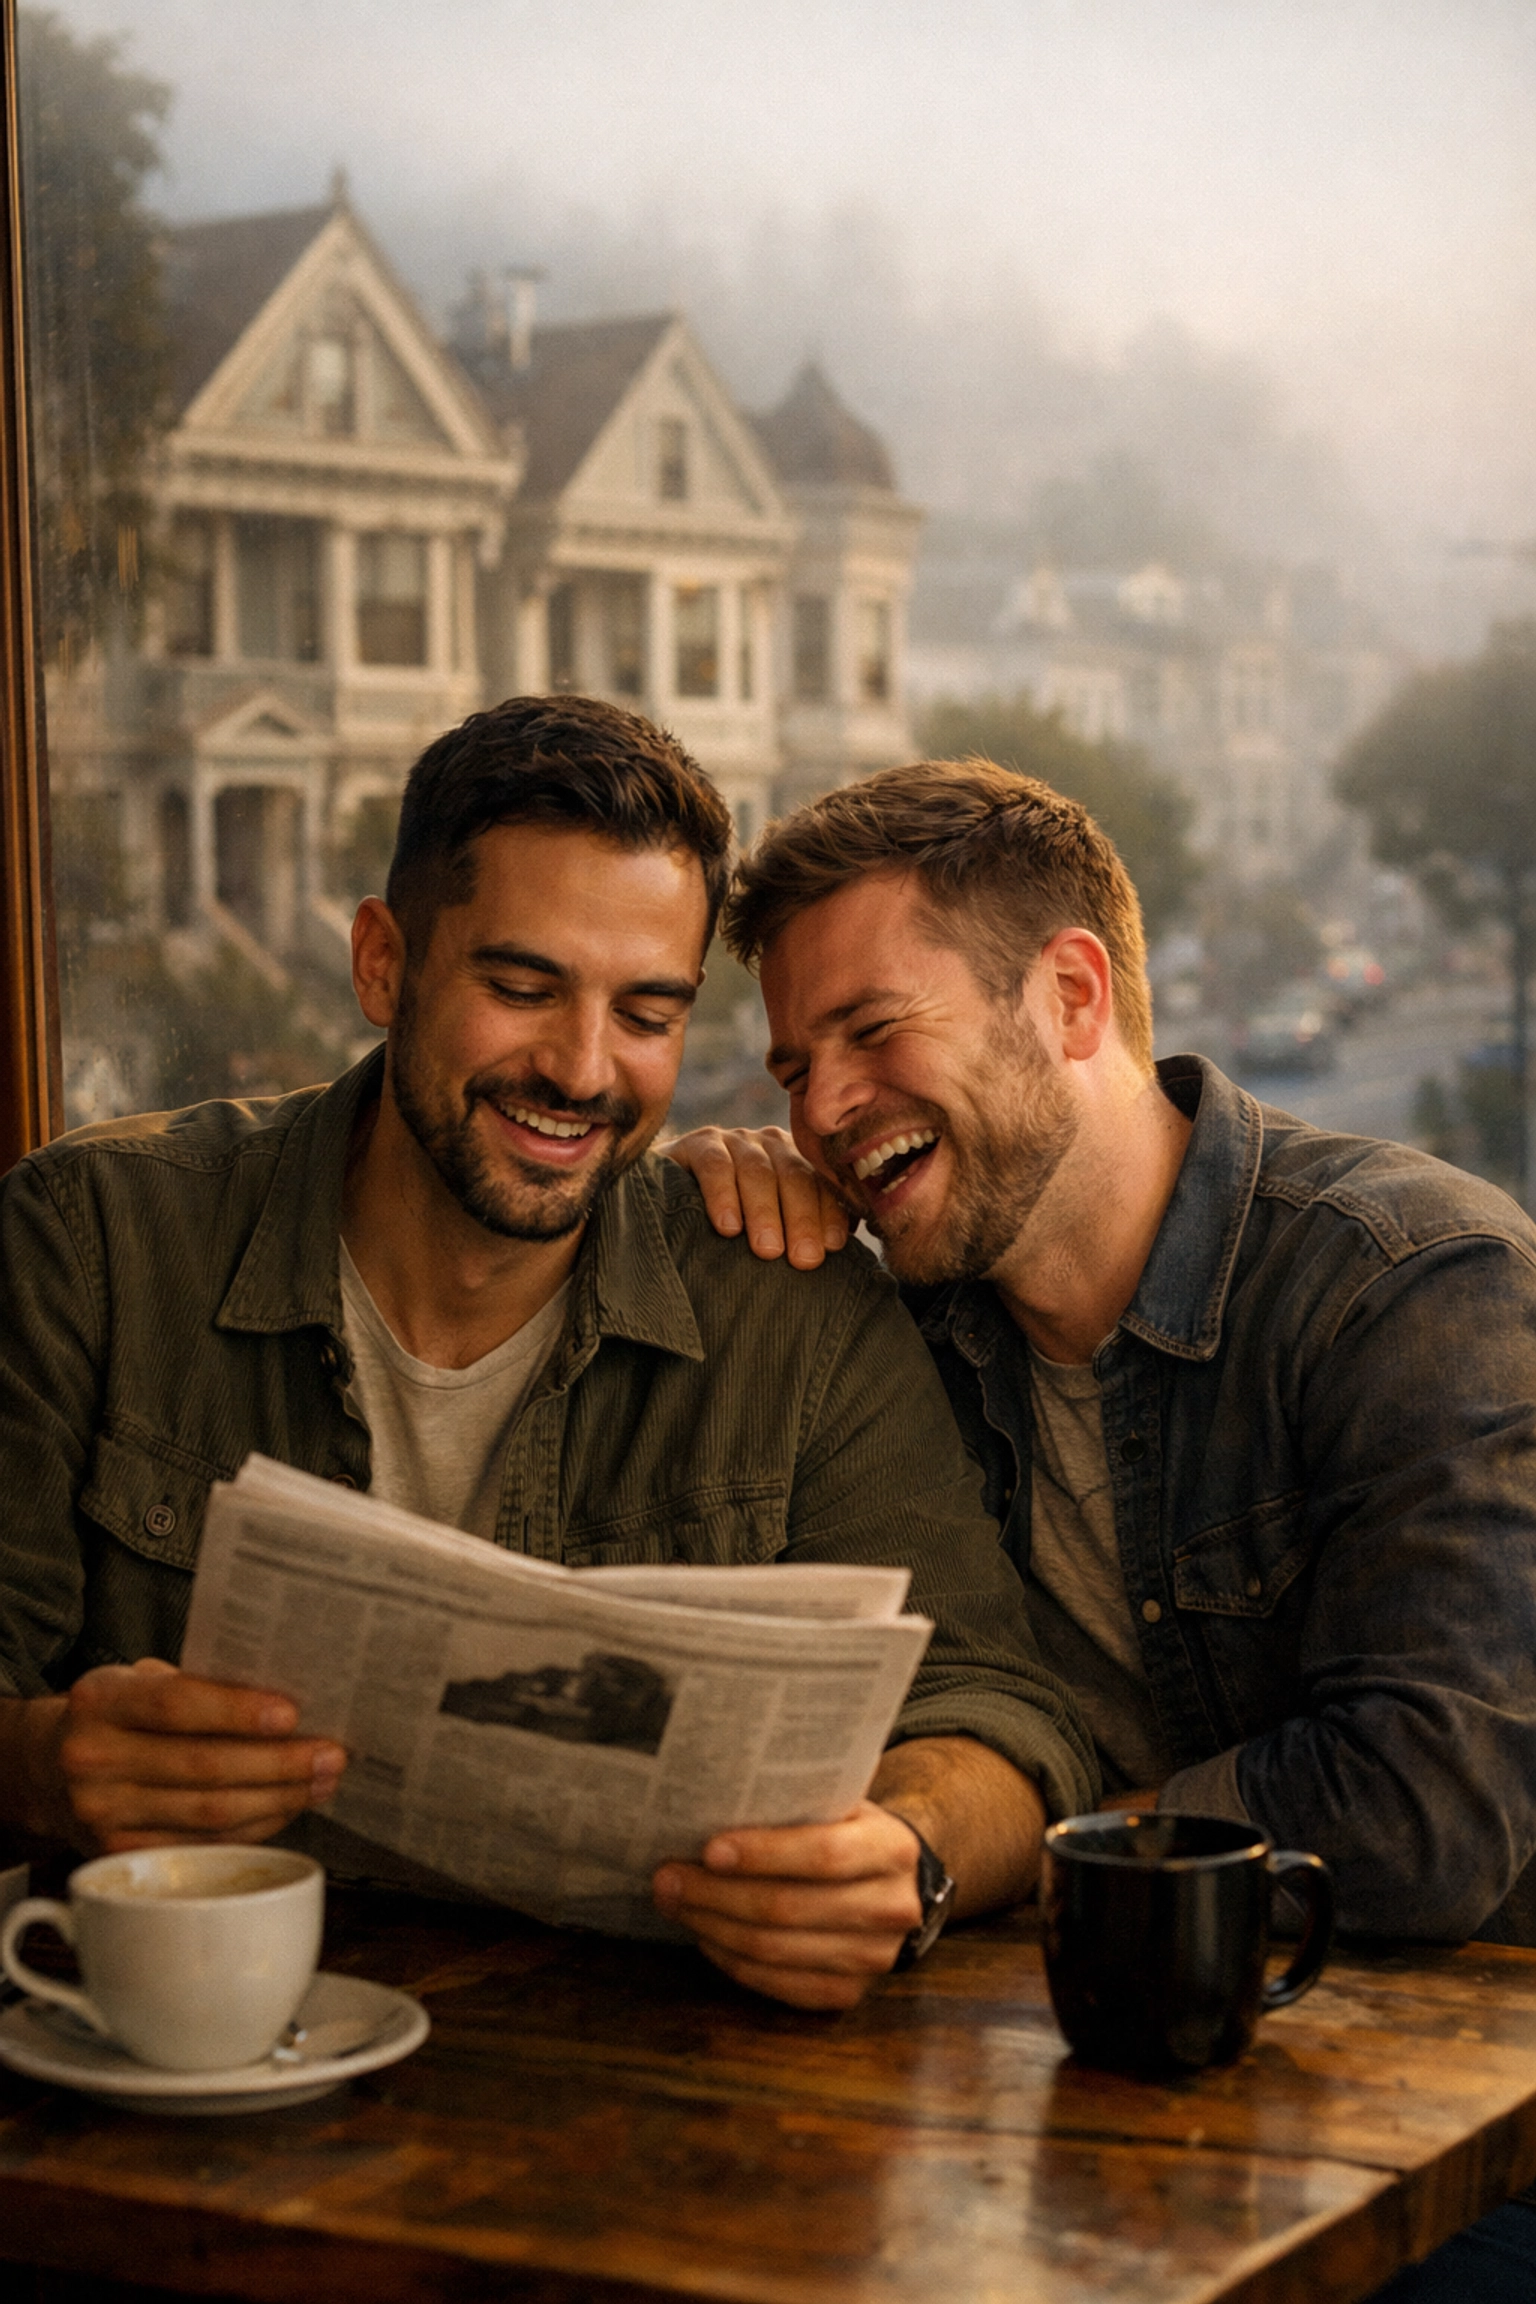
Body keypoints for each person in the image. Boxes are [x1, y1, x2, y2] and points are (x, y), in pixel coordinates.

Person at [0, 699, 1096, 2013]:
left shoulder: (791, 1313)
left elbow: (1002, 1720)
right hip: (176, 2079)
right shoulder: (95, 1242)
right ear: (384, 965)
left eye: (647, 1013)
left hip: (653, 2092)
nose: (583, 1070)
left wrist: (905, 1853)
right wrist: (43, 1762)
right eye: (522, 988)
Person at [666, 753, 1536, 2292]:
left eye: (871, 1032)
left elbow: (1422, 1814)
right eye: (794, 1071)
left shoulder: (1416, 1282)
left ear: (1072, 999)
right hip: (1084, 2090)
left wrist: (1010, 1847)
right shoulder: (904, 1334)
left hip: (1470, 2130)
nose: (822, 1111)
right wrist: (695, 1201)